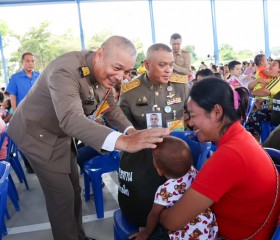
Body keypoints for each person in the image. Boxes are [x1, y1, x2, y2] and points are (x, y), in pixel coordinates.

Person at [7, 36, 170, 240]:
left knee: (74, 188)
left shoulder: (104, 73)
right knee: (62, 197)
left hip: (60, 135)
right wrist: (124, 142)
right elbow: (70, 118)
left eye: (126, 71)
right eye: (117, 68)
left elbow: (110, 108)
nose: (120, 76)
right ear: (100, 54)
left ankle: (79, 237)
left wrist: (131, 131)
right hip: (36, 135)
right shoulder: (65, 71)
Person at [159, 77, 280, 239]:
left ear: (217, 111)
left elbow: (173, 222)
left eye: (193, 115)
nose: (191, 123)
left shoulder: (229, 155)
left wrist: (157, 212)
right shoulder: (241, 137)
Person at [118, 43, 189, 231]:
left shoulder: (181, 86)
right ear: (147, 64)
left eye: (171, 65)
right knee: (143, 203)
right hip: (144, 157)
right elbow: (121, 124)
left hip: (176, 157)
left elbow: (194, 115)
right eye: (162, 65)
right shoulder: (130, 90)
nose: (168, 70)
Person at [130, 136, 218, 240]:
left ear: (159, 170)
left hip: (185, 235)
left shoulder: (165, 190)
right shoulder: (193, 171)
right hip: (208, 231)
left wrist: (146, 233)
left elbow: (154, 214)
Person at [6, 52, 40, 173]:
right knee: (27, 141)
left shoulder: (39, 75)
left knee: (39, 139)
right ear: (22, 62)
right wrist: (15, 113)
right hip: (24, 115)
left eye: (32, 61)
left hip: (39, 114)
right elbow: (12, 96)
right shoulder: (16, 77)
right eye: (27, 61)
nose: (30, 63)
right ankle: (29, 164)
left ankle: (40, 163)